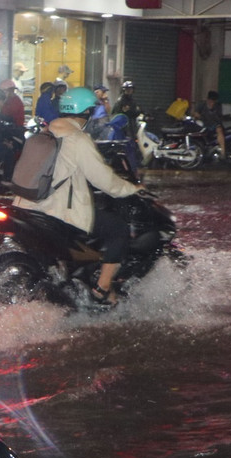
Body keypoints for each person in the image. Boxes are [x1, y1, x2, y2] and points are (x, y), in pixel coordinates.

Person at [13, 86, 144, 306]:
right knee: (117, 228)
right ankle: (102, 289)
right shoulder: (77, 139)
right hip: (56, 210)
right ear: (86, 113)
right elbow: (104, 181)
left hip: (26, 204)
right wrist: (132, 189)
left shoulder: (44, 131)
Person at [194, 89, 227, 155]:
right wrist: (198, 116)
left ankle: (223, 151)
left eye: (213, 101)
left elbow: (219, 117)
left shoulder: (218, 106)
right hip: (203, 123)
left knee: (219, 130)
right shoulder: (201, 104)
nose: (212, 102)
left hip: (214, 124)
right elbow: (195, 113)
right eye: (210, 100)